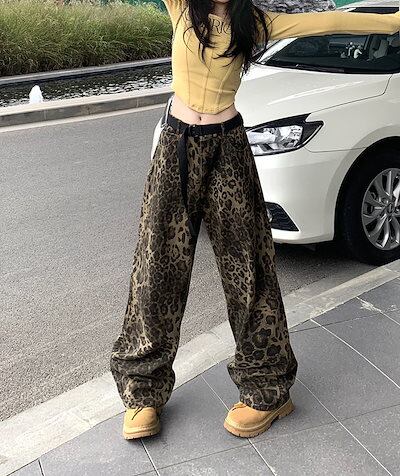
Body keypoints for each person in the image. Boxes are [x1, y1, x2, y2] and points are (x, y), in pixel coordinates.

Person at [110, 0, 400, 440]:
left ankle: (267, 389)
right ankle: (143, 390)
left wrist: (394, 21)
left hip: (228, 148)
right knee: (156, 266)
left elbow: (328, 21)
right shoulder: (183, 7)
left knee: (248, 268)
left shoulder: (255, 23)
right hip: (176, 148)